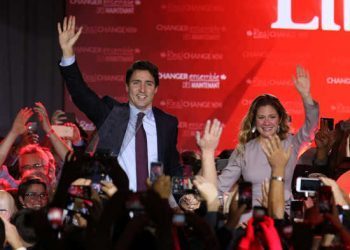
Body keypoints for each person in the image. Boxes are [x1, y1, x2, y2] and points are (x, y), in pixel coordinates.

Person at [57, 16, 181, 192]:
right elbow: (81, 94)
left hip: (153, 208)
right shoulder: (112, 114)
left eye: (149, 84)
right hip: (115, 206)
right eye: (136, 83)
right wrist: (68, 53)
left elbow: (172, 167)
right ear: (126, 87)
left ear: (156, 90)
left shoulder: (167, 123)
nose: (142, 89)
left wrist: (181, 200)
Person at [200, 66, 319, 221]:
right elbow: (220, 186)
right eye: (261, 117)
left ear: (280, 119)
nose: (267, 122)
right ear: (254, 120)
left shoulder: (291, 142)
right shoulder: (244, 149)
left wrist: (306, 96)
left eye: (272, 117)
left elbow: (311, 127)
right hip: (248, 219)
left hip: (280, 216)